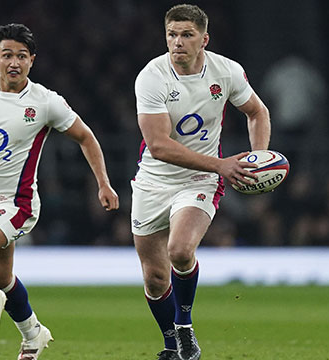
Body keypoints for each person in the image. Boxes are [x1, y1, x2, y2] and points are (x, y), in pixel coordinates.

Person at [0, 23, 119, 360]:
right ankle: (33, 335)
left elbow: (86, 137)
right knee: (2, 279)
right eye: (7, 55)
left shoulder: (45, 102)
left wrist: (103, 182)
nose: (14, 62)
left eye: (21, 56)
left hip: (18, 204)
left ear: (32, 61)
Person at [131, 5, 271, 360]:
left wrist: (259, 160)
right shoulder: (151, 76)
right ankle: (172, 345)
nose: (177, 42)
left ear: (204, 39)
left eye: (186, 35)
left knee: (180, 250)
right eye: (172, 35)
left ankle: (184, 328)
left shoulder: (226, 72)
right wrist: (221, 164)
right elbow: (160, 146)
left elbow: (257, 111)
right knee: (154, 279)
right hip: (153, 180)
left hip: (200, 179)